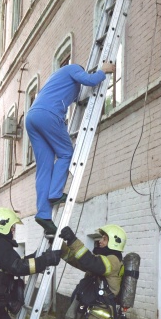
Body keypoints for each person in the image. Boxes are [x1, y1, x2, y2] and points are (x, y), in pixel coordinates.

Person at [26, 62, 116, 235]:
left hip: (32, 117)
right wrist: (103, 71)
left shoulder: (56, 78)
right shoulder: (74, 68)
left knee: (44, 167)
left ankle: (43, 214)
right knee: (67, 153)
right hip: (48, 115)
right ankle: (55, 193)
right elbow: (89, 80)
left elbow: (75, 95)